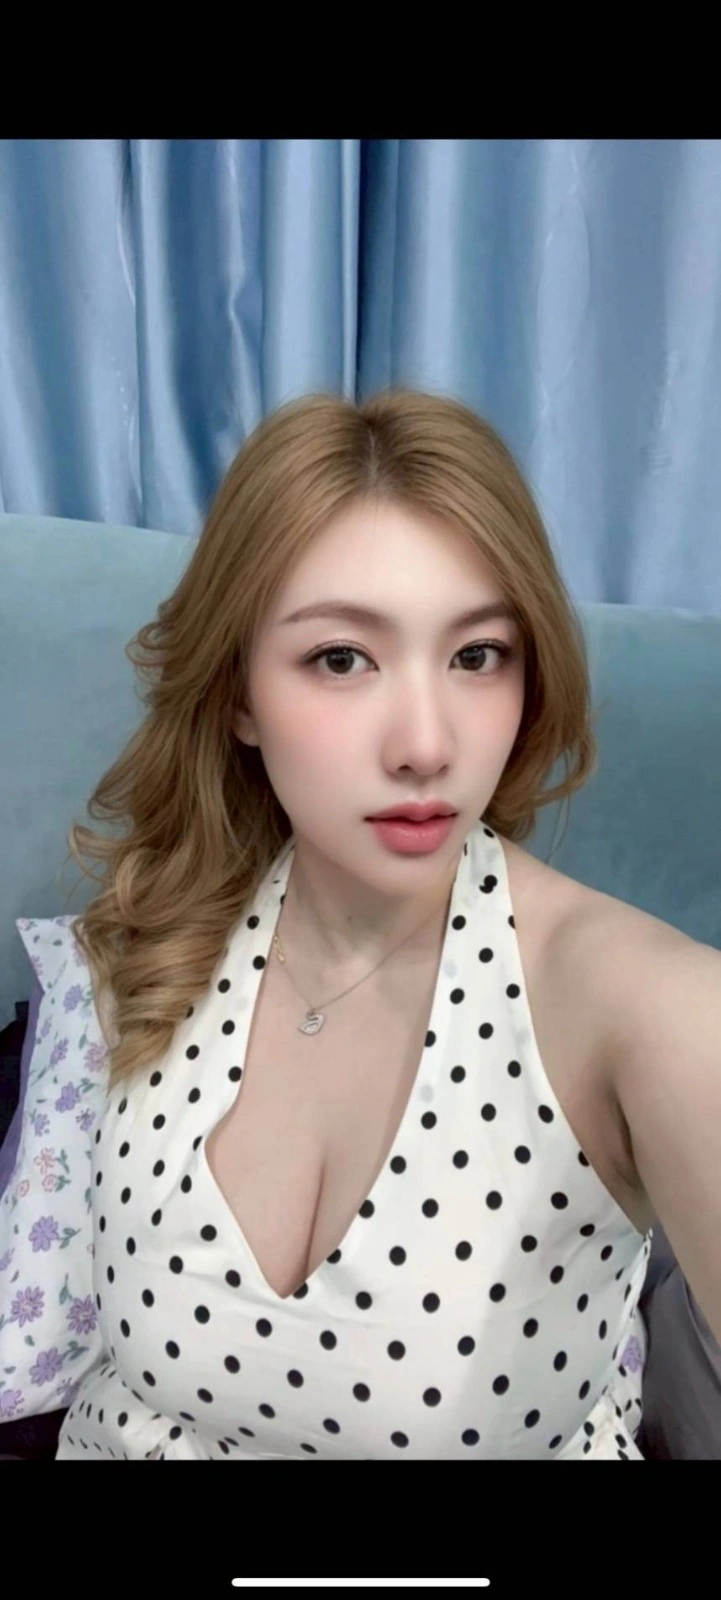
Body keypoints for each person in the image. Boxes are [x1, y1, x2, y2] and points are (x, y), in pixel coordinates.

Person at [54, 388, 720, 1461]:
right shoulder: (168, 932)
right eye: (341, 658)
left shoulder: (642, 1005)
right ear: (237, 695)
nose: (425, 744)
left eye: (477, 655)